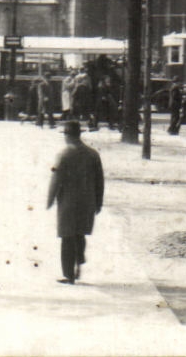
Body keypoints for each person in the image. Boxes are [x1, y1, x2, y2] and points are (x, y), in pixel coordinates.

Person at [45, 120, 104, 285]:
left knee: (67, 237)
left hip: (68, 202)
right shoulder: (93, 154)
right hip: (87, 201)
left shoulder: (64, 155)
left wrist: (50, 200)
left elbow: (55, 180)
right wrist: (99, 202)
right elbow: (100, 181)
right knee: (80, 233)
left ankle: (68, 275)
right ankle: (80, 259)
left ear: (67, 135)